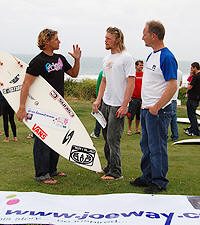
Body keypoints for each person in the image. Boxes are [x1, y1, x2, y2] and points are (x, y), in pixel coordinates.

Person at [16, 28, 81, 184]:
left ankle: (52, 169)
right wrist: (22, 106)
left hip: (59, 106)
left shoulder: (59, 58)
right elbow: (26, 84)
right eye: (56, 39)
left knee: (56, 139)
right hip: (43, 109)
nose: (59, 41)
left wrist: (77, 60)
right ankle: (41, 174)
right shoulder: (38, 61)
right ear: (47, 41)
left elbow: (73, 74)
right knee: (42, 140)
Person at [130, 21, 177, 194]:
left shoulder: (167, 57)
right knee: (147, 145)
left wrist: (157, 106)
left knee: (157, 146)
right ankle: (147, 176)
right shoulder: (151, 56)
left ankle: (159, 181)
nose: (142, 37)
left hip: (158, 111)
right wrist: (145, 103)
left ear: (154, 36)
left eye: (145, 34)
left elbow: (172, 86)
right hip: (146, 109)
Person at [93, 26, 135, 180]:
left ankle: (116, 172)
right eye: (105, 38)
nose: (105, 41)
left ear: (117, 40)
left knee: (113, 138)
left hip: (118, 104)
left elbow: (131, 83)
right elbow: (104, 81)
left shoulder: (126, 57)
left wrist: (125, 105)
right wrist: (98, 99)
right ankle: (109, 166)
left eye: (108, 38)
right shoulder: (106, 59)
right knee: (106, 136)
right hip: (106, 102)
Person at [127, 60, 143, 135]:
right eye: (140, 65)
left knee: (138, 115)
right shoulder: (133, 74)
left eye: (142, 65)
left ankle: (137, 129)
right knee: (130, 115)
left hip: (141, 98)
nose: (141, 67)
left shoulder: (144, 75)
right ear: (136, 66)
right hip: (133, 98)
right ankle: (129, 129)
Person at [184, 62, 200, 136]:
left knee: (191, 115)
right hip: (196, 98)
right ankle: (193, 128)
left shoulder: (196, 76)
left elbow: (189, 86)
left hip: (192, 98)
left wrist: (191, 76)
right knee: (192, 115)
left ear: (195, 68)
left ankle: (195, 131)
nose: (191, 70)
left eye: (191, 68)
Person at [170, 69, 183, 141]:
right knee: (173, 118)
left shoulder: (169, 71)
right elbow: (180, 84)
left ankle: (164, 136)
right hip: (174, 98)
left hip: (168, 98)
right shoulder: (180, 72)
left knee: (165, 118)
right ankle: (175, 135)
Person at [90, 70, 103, 138]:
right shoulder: (103, 73)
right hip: (105, 98)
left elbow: (98, 87)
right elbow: (99, 86)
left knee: (99, 116)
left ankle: (96, 133)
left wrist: (98, 98)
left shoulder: (102, 73)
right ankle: (96, 133)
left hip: (103, 98)